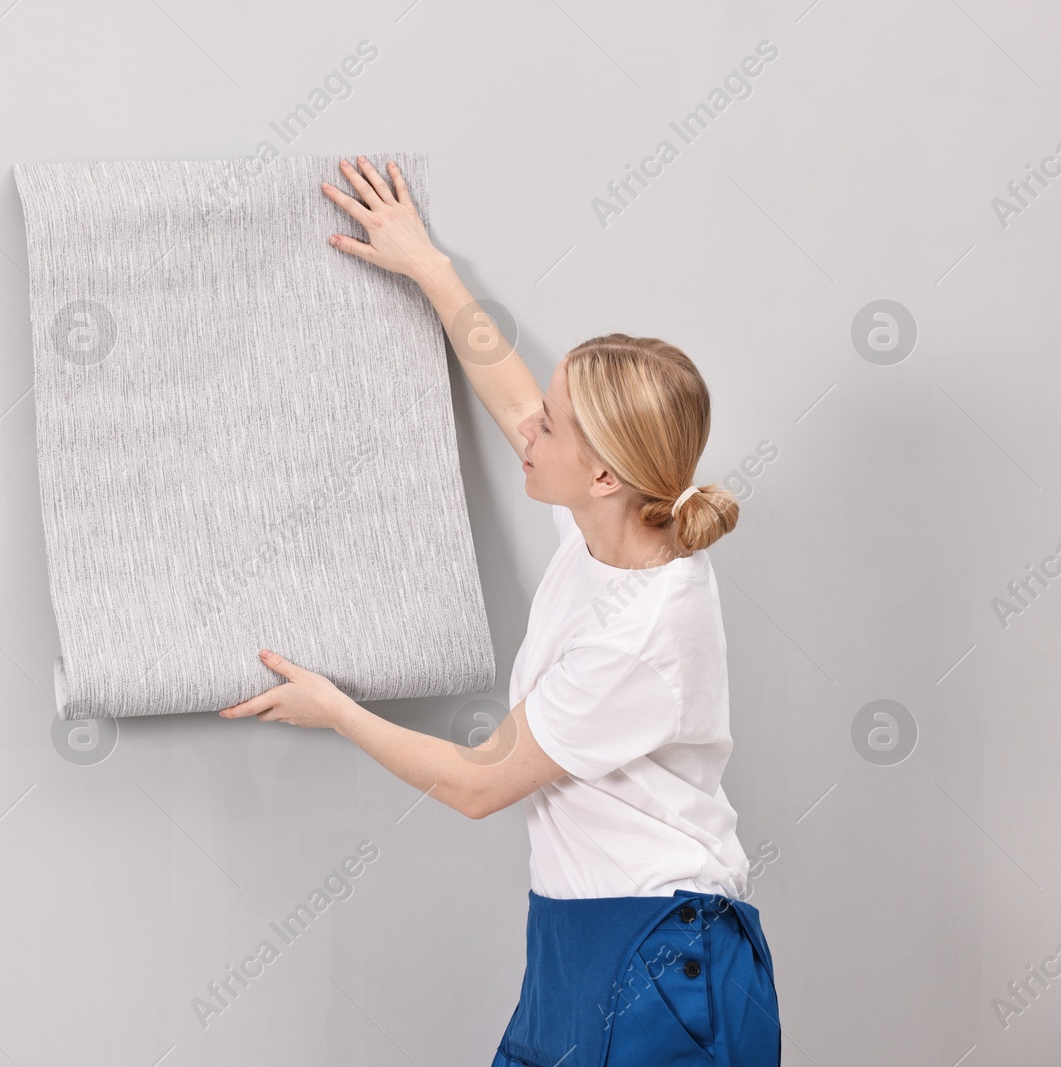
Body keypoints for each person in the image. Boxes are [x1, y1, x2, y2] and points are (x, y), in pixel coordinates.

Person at [218, 157, 782, 1065]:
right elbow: (511, 390)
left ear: (602, 472)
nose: (531, 428)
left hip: (663, 955)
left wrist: (337, 711)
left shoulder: (639, 631)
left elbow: (481, 785)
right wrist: (428, 266)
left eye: (552, 428)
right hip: (581, 937)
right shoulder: (612, 522)